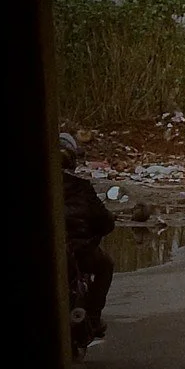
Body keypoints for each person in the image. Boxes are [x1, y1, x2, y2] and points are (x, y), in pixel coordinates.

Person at [60, 132, 116, 343]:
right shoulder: (81, 186)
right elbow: (103, 220)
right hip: (78, 249)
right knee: (105, 265)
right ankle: (93, 315)